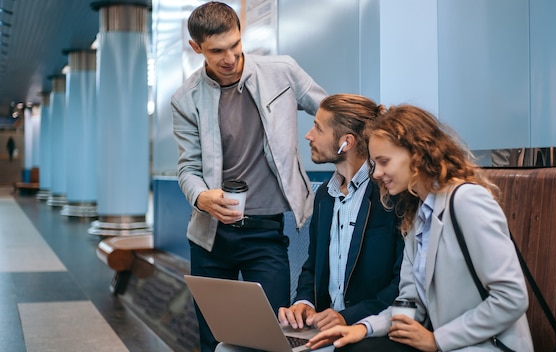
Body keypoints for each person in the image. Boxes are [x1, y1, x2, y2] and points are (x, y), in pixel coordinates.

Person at [307, 105, 533, 351]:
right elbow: (409, 304)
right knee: (353, 346)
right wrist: (362, 328)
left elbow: (512, 298)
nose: (377, 173)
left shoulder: (467, 200)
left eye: (383, 162)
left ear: (417, 154)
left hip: (485, 345)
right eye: (374, 164)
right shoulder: (417, 213)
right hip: (441, 340)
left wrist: (437, 340)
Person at [170, 2, 327, 351]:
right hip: (210, 238)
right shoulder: (185, 99)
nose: (229, 58)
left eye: (234, 46)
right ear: (197, 48)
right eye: (216, 51)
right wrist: (201, 197)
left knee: (272, 338)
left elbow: (331, 112)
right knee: (214, 341)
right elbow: (188, 169)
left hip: (265, 234)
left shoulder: (282, 71)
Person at [216, 94, 404, 352]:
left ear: (345, 142)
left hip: (366, 328)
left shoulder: (390, 196)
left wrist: (346, 317)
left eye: (318, 127)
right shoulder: (325, 196)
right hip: (322, 328)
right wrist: (304, 302)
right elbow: (312, 267)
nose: (309, 135)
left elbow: (400, 283)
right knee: (229, 348)